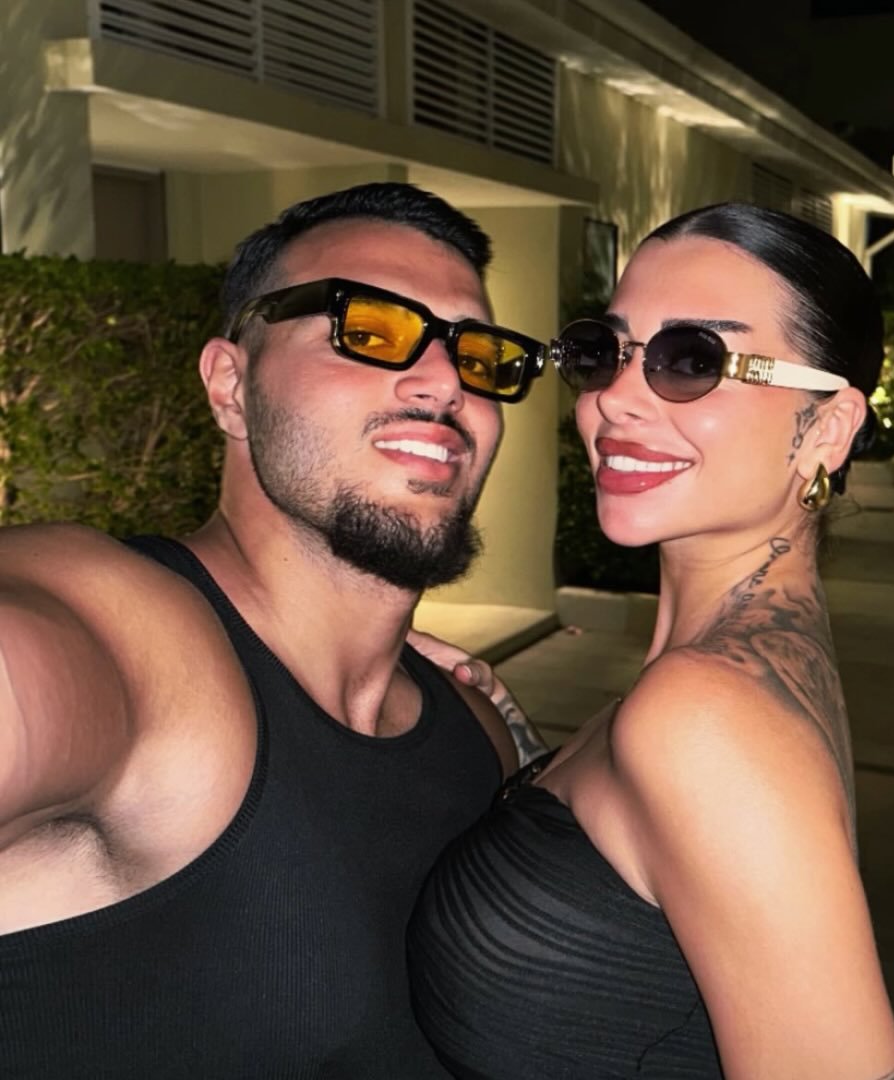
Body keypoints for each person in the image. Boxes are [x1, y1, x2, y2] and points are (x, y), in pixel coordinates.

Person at [0, 182, 549, 1078]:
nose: (446, 381)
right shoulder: (128, 634)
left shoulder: (476, 731)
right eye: (369, 329)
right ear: (231, 385)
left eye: (479, 354)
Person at [408, 203, 894, 1079]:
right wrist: (518, 739)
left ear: (826, 428)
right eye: (604, 352)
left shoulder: (706, 714)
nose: (614, 398)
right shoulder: (739, 668)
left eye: (692, 360)